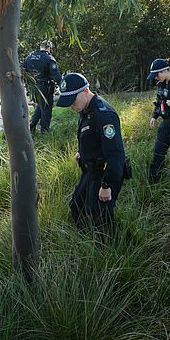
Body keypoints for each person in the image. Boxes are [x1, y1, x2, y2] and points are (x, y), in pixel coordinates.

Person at [55, 72, 126, 240]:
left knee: (100, 217)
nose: (71, 105)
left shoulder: (104, 114)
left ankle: (106, 249)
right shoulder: (85, 109)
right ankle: (86, 240)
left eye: (73, 100)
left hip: (105, 173)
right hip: (90, 170)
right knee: (77, 206)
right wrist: (83, 153)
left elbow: (116, 154)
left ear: (86, 91)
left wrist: (107, 185)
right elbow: (93, 138)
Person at [22, 40, 62, 133]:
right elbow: (56, 76)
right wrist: (63, 87)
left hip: (33, 88)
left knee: (40, 106)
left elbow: (24, 71)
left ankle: (31, 127)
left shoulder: (29, 56)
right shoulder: (49, 58)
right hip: (45, 87)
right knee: (46, 109)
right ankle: (45, 131)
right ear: (48, 48)